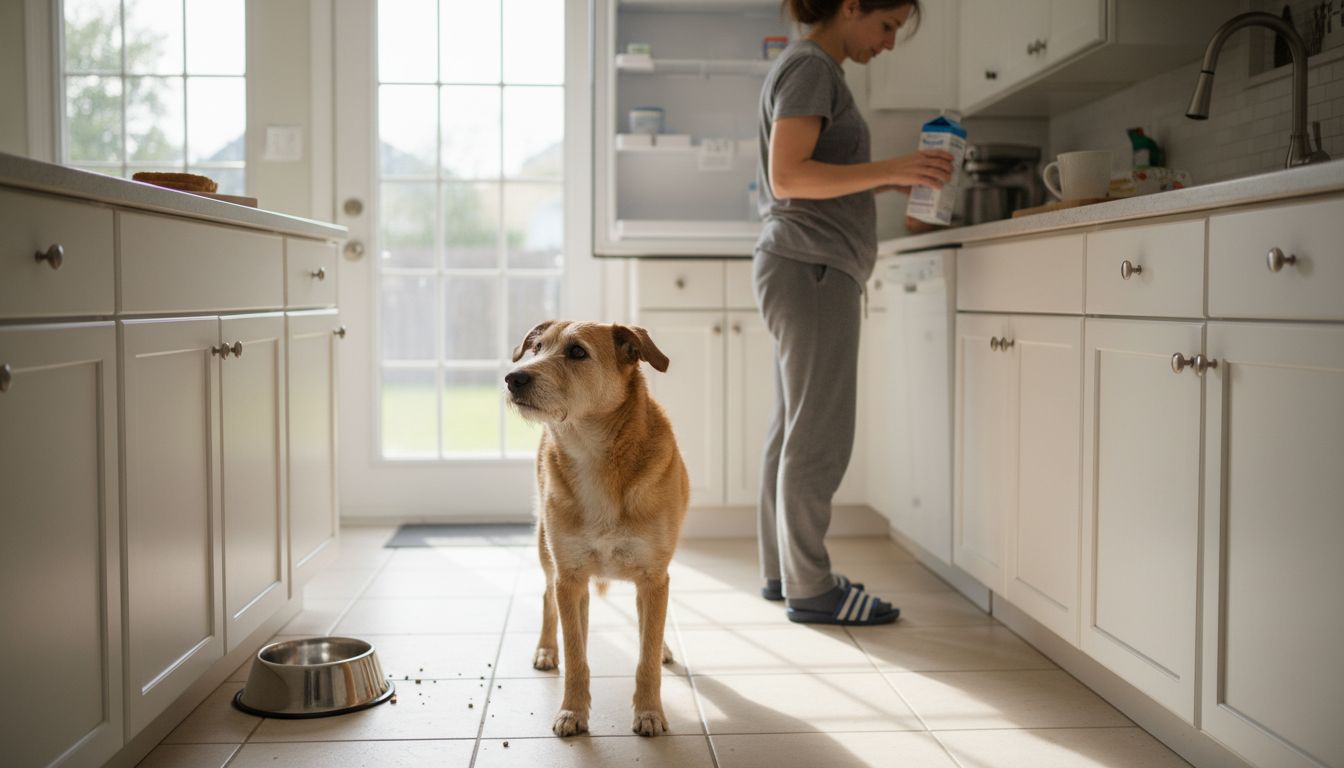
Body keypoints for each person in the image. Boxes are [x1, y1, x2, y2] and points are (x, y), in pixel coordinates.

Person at [753, 0, 953, 625]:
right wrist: (891, 167)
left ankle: (786, 573)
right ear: (850, 7)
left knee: (795, 427)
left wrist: (882, 179)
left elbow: (807, 171)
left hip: (803, 265)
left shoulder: (811, 68)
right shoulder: (812, 67)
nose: (889, 44)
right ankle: (812, 589)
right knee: (819, 434)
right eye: (887, 25)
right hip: (813, 266)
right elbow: (788, 176)